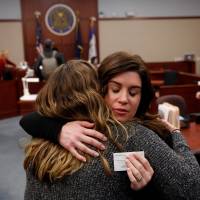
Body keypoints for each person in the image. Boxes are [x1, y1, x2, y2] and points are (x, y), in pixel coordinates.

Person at [23, 59, 200, 199]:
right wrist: (176, 133)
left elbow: (27, 120)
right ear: (98, 92)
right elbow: (192, 188)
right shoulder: (129, 134)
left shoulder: (37, 146)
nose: (123, 99)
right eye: (115, 89)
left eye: (133, 92)